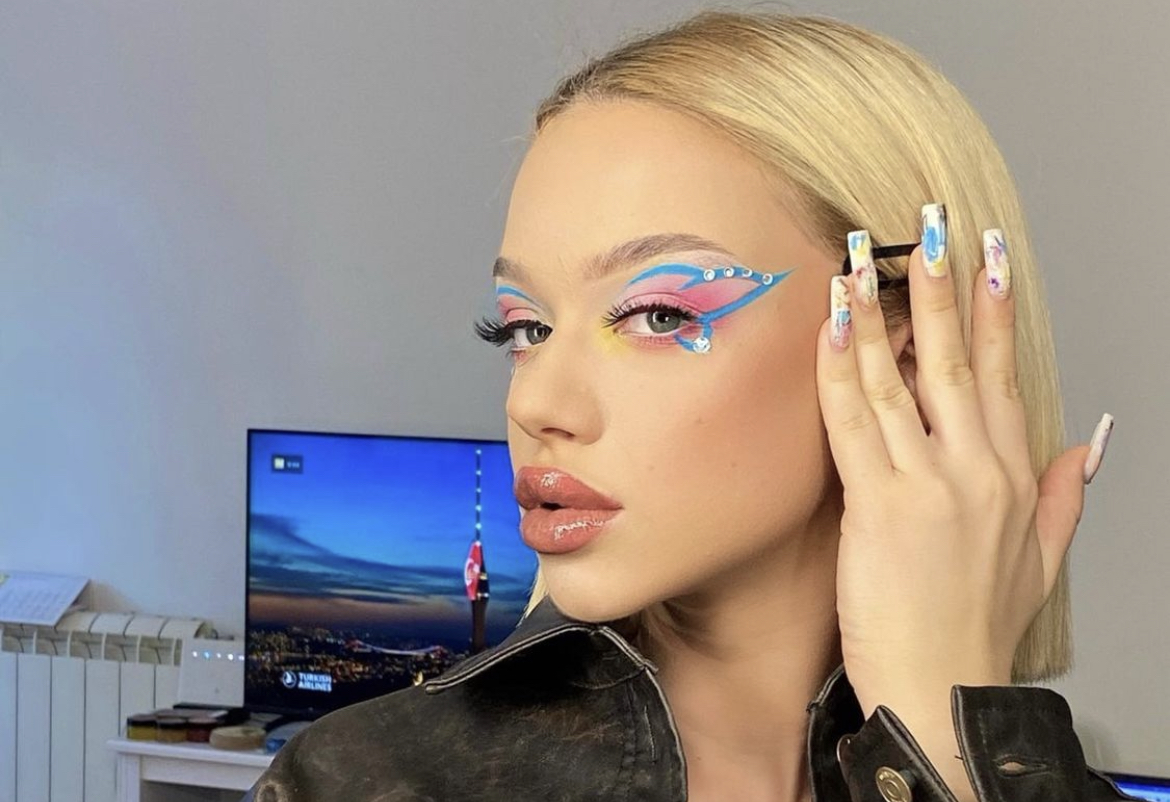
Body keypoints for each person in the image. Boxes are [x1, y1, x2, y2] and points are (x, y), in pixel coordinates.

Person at [243, 10, 1122, 802]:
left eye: (658, 314)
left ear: (904, 356)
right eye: (525, 327)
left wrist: (946, 741)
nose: (535, 401)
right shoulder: (361, 784)